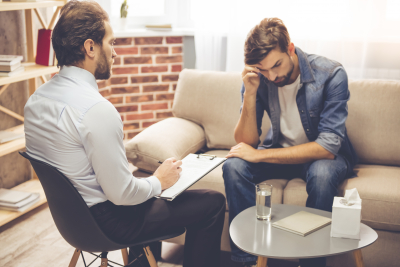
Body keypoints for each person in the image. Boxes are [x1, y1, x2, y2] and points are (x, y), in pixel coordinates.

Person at [23, 1, 225, 267]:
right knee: (212, 203)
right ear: (90, 47)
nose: (115, 52)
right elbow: (122, 195)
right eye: (112, 42)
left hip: (71, 224)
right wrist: (159, 181)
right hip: (111, 224)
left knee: (145, 189)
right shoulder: (96, 110)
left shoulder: (34, 102)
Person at [222, 18, 358, 267]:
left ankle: (311, 263)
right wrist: (250, 92)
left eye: (277, 65)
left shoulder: (331, 75)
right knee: (233, 166)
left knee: (323, 174)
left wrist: (260, 155)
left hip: (319, 158)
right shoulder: (258, 77)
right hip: (279, 152)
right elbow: (246, 141)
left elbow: (327, 147)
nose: (272, 76)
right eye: (263, 70)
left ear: (291, 49)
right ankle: (248, 260)